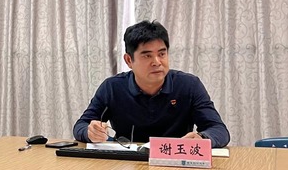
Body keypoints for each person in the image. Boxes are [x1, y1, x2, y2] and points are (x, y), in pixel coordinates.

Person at [72, 20, 230, 148]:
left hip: (175, 163)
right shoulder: (112, 88)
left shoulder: (189, 85)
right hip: (127, 165)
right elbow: (81, 125)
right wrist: (90, 132)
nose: (157, 62)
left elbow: (219, 130)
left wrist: (202, 138)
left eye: (162, 54)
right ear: (129, 60)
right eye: (147, 56)